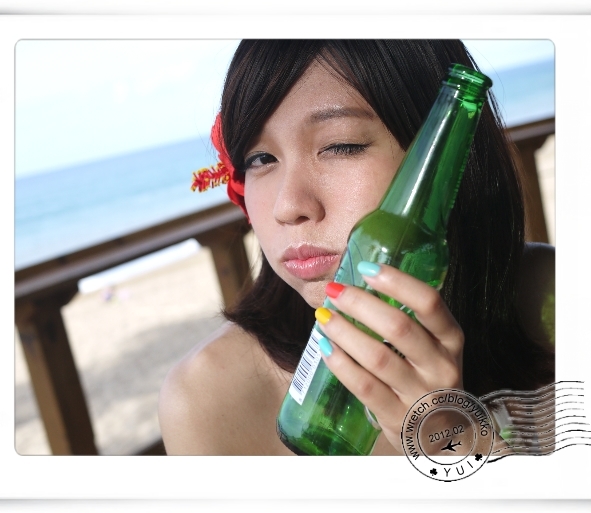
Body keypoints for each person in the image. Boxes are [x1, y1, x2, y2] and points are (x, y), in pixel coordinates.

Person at [158, 40, 555, 456]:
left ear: (447, 151)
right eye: (260, 159)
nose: (287, 206)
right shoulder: (207, 396)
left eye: (340, 146)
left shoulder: (551, 300)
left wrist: (454, 443)